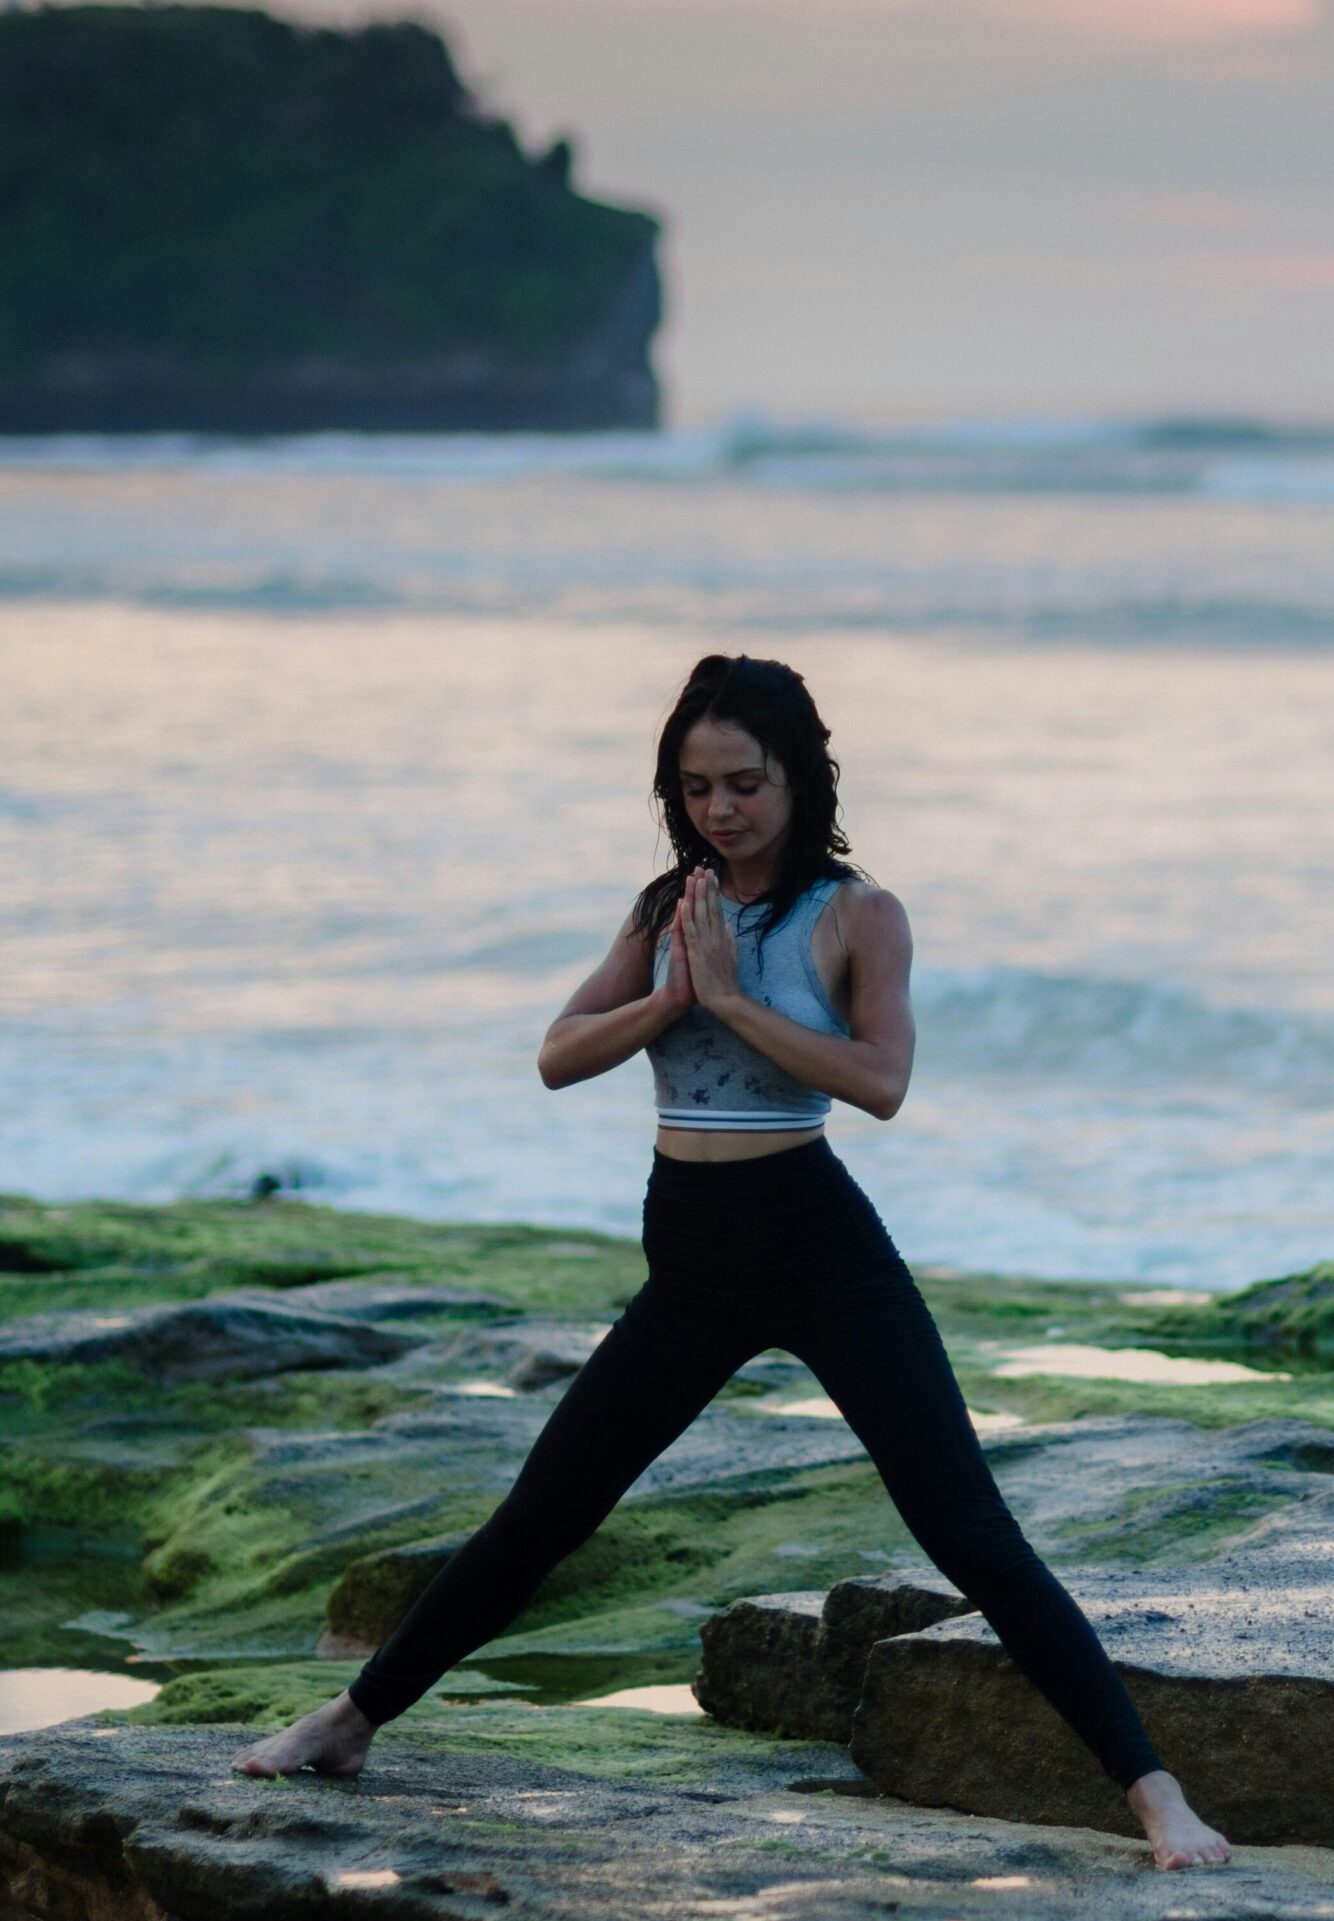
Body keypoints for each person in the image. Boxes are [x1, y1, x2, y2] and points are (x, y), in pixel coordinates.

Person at [234, 654, 1230, 1871]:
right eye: (697, 786)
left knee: (968, 1530)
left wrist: (734, 1003)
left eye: (746, 783)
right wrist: (667, 1001)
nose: (722, 809)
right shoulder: (668, 905)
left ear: (801, 778)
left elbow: (882, 1083)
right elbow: (556, 1053)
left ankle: (1155, 1796)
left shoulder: (858, 915)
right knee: (546, 1510)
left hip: (818, 1246)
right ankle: (350, 1721)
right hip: (693, 1259)